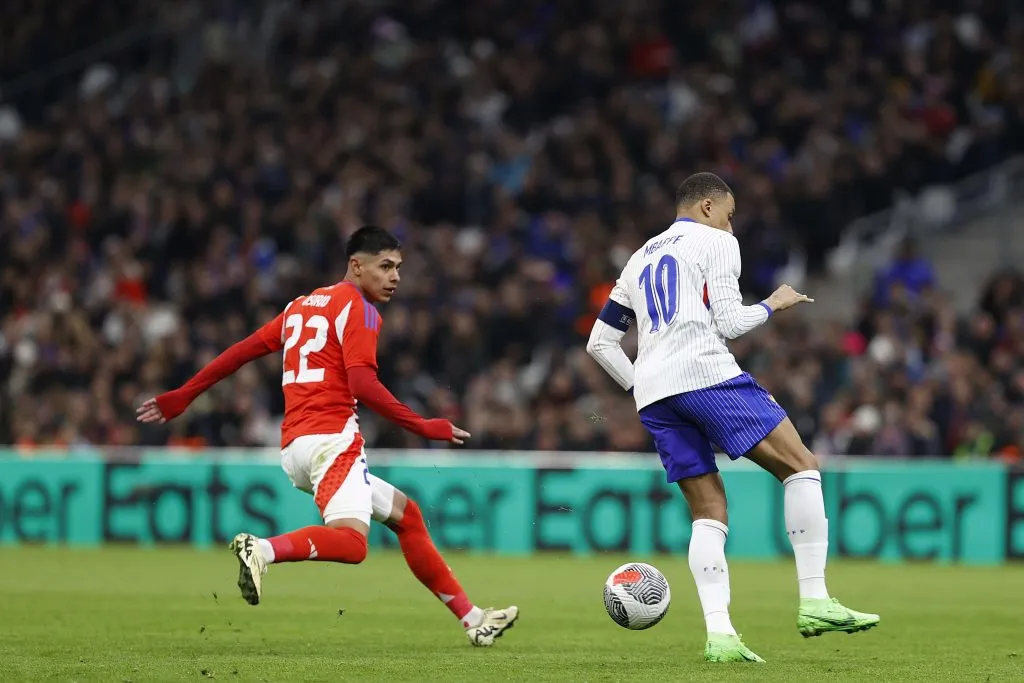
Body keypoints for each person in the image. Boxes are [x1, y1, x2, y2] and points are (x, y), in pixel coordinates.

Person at [136, 225, 518, 647]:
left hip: (295, 447)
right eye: (385, 266)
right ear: (356, 266)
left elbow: (241, 350)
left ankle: (474, 619)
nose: (395, 277)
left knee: (406, 516)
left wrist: (183, 395)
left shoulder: (301, 306)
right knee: (354, 544)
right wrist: (424, 426)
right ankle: (262, 550)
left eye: (398, 268)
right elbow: (362, 384)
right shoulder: (359, 308)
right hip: (332, 439)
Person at [585, 172, 878, 663]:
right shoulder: (717, 242)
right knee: (801, 466)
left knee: (708, 513)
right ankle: (814, 600)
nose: (731, 222)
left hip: (656, 395)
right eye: (729, 212)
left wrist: (642, 384)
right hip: (705, 373)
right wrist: (774, 303)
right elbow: (729, 322)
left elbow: (600, 343)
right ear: (706, 206)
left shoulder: (639, 257)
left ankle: (720, 636)